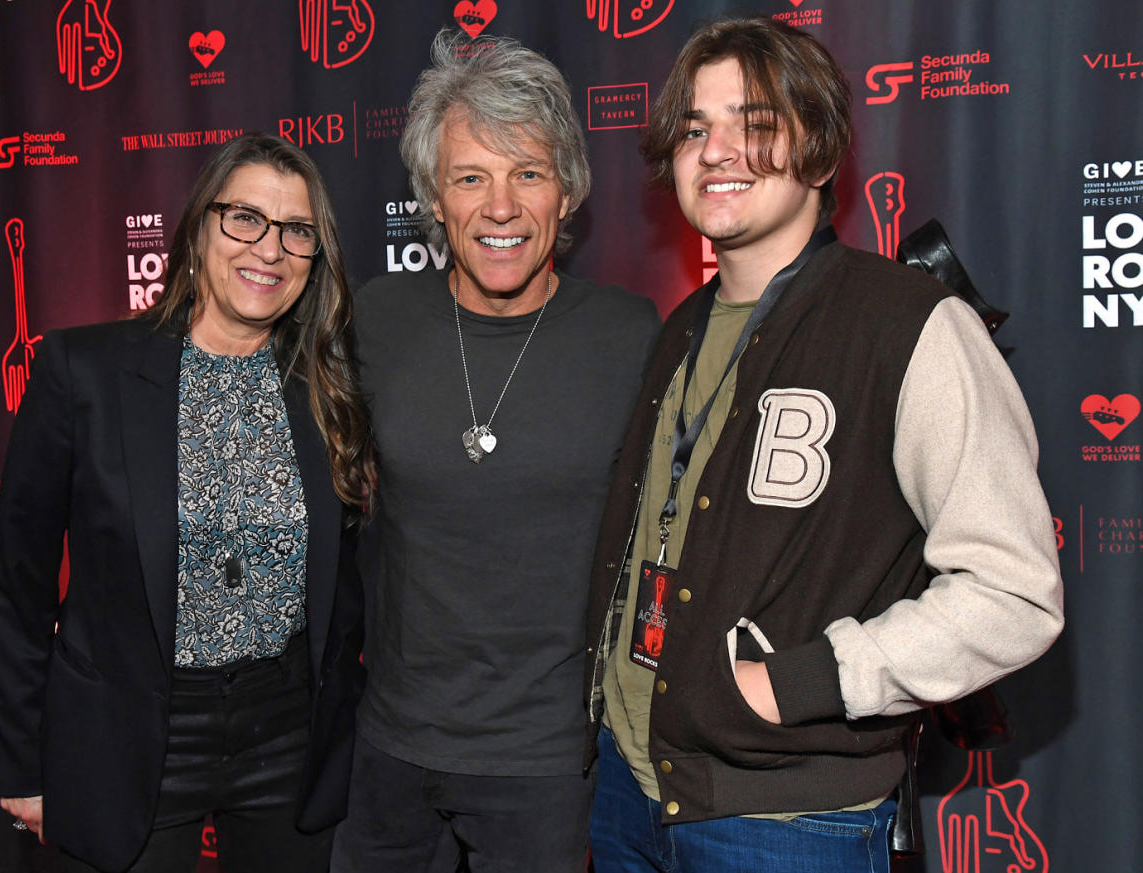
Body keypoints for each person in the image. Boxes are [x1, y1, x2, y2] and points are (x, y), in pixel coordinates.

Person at [583, 16, 1064, 873]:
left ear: (821, 148)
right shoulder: (680, 328)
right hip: (628, 785)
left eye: (755, 123)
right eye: (696, 127)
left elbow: (1014, 591)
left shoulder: (911, 323)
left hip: (790, 819)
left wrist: (803, 680)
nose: (717, 148)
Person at [0, 133, 372, 873]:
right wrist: (24, 767)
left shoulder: (327, 387)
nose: (271, 248)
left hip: (285, 736)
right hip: (128, 738)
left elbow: (353, 581)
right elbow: (16, 587)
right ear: (198, 229)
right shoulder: (83, 372)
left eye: (297, 232)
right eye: (245, 218)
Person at [330, 30, 659, 873]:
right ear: (433, 199)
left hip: (546, 762)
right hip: (391, 747)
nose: (500, 206)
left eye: (528, 174)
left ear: (569, 192)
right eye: (470, 177)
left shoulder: (629, 335)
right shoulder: (378, 320)